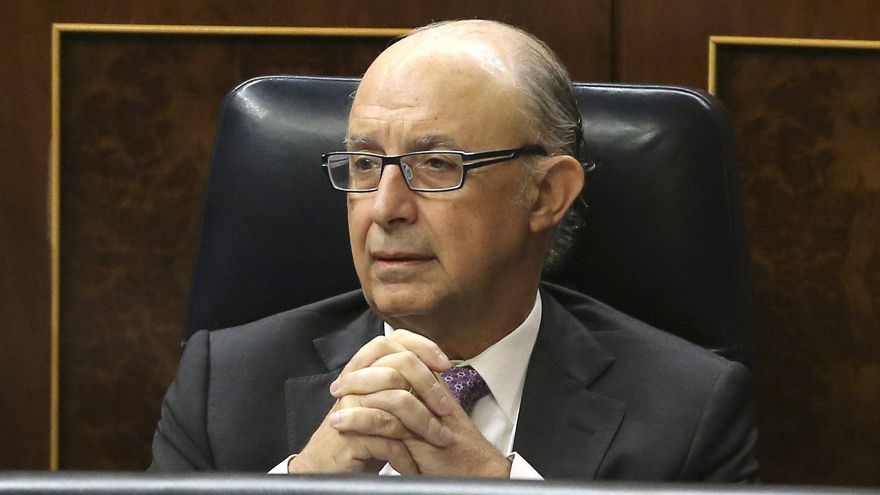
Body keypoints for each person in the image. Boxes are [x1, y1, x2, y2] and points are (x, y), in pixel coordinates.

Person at [150, 19, 758, 481]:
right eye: (365, 165)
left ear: (547, 193)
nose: (385, 208)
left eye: (437, 165)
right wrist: (303, 489)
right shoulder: (224, 388)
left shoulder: (690, 413)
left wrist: (496, 489)